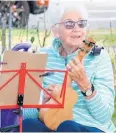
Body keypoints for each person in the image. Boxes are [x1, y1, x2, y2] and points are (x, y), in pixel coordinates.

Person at [22, 4, 115, 132]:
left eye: (81, 23)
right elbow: (26, 114)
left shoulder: (98, 57)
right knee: (28, 124)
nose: (77, 29)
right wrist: (41, 101)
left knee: (67, 126)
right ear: (56, 31)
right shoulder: (42, 56)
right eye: (69, 24)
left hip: (89, 126)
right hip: (51, 121)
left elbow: (104, 116)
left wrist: (85, 85)